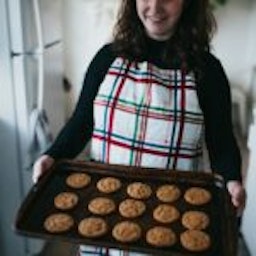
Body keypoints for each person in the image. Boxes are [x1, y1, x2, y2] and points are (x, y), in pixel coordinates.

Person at [33, 0, 246, 255]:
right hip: (104, 216)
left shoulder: (207, 71)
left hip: (172, 222)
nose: (154, 7)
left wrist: (232, 180)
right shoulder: (106, 58)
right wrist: (52, 155)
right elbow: (81, 122)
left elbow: (222, 144)